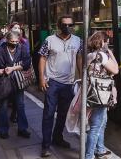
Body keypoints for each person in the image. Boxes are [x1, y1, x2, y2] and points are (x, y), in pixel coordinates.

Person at [38, 15, 82, 157]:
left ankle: (57, 138)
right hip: (52, 82)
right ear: (59, 26)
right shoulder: (49, 40)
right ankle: (45, 146)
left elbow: (79, 58)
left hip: (69, 83)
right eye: (65, 25)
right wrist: (41, 78)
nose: (68, 27)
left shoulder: (77, 41)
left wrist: (81, 78)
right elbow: (42, 58)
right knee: (49, 114)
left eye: (71, 24)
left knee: (63, 114)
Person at [0, 31, 31, 139]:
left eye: (16, 41)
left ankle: (22, 128)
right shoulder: (0, 50)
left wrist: (13, 68)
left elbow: (27, 63)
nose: (14, 43)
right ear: (7, 41)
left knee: (20, 104)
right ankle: (3, 130)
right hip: (4, 82)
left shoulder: (22, 48)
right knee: (3, 106)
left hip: (18, 81)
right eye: (11, 41)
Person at [85, 31, 118, 159]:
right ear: (103, 42)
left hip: (92, 92)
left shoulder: (89, 55)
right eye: (107, 40)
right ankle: (89, 156)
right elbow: (115, 69)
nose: (108, 43)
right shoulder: (102, 56)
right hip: (101, 92)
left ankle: (100, 149)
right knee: (96, 125)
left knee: (101, 121)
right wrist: (110, 53)